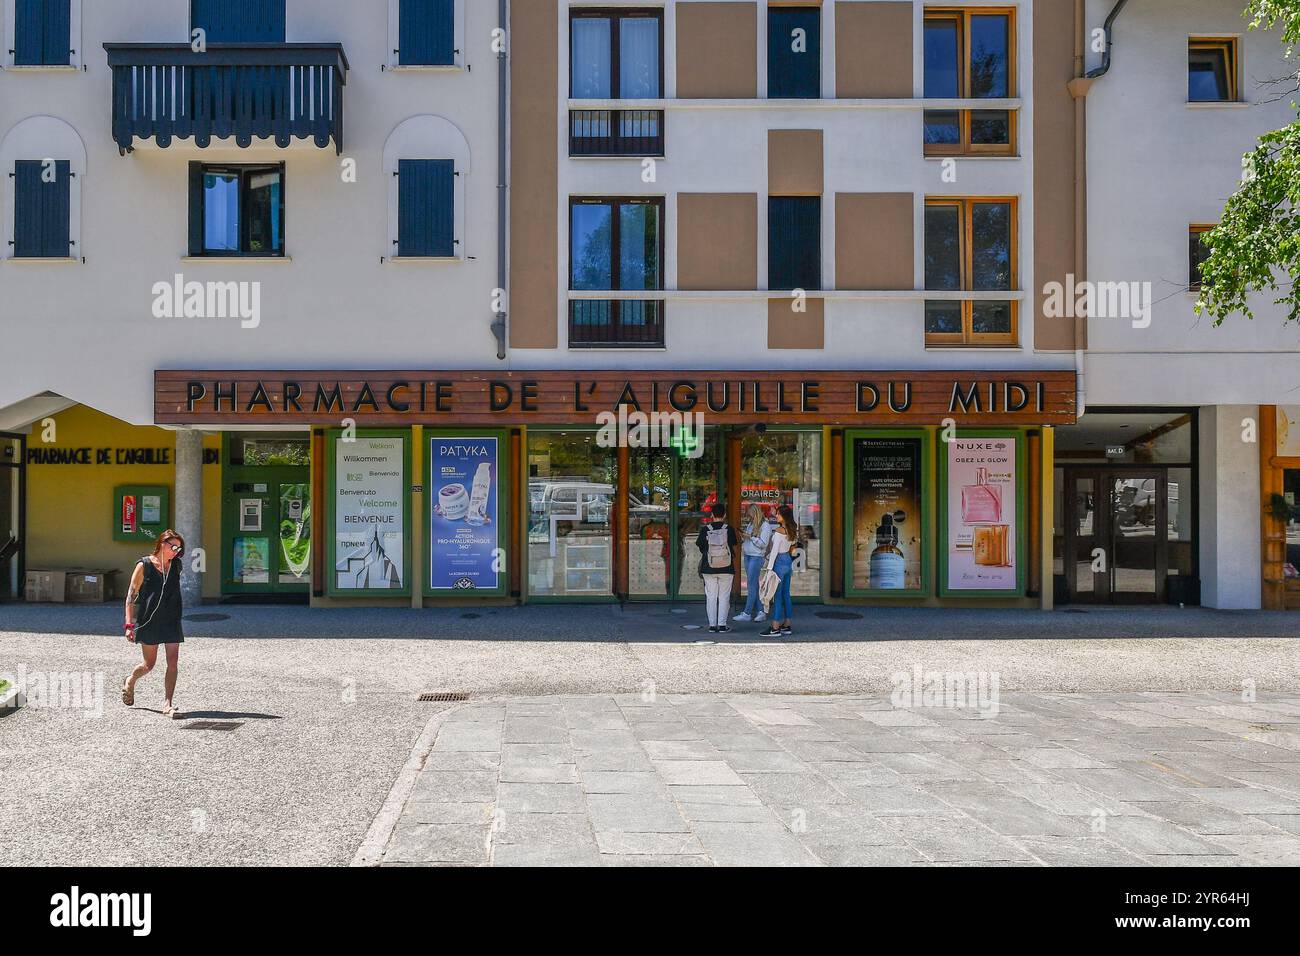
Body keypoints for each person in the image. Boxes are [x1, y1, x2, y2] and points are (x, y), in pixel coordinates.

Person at [122, 529, 186, 718]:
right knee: (149, 664)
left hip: (171, 619)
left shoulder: (176, 565)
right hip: (149, 619)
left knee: (172, 662)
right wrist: (129, 624)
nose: (176, 552)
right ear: (162, 544)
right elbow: (131, 596)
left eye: (179, 549)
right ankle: (130, 680)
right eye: (173, 547)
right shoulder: (145, 565)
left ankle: (168, 704)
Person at [695, 500, 738, 633]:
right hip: (726, 567)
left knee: (711, 596)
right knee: (724, 596)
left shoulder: (706, 529)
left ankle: (712, 625)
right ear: (724, 515)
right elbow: (734, 544)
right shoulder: (729, 529)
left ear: (712, 515)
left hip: (709, 567)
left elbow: (700, 545)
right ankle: (722, 624)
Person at [760, 505, 798, 637]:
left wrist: (769, 570)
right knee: (786, 594)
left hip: (779, 564)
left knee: (777, 596)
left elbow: (774, 552)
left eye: (778, 514)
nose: (776, 516)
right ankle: (787, 624)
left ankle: (775, 627)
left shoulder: (778, 532)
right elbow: (792, 546)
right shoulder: (792, 529)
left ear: (784, 516)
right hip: (788, 562)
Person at [733, 503, 773, 623]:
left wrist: (751, 537)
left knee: (751, 585)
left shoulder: (765, 526)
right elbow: (750, 539)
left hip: (756, 557)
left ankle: (747, 613)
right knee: (754, 584)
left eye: (750, 515)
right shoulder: (751, 524)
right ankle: (761, 611)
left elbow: (763, 544)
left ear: (755, 514)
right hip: (748, 555)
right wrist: (744, 537)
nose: (748, 517)